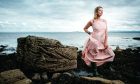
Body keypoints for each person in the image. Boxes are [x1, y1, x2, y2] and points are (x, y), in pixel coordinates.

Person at [82, 6, 115, 76]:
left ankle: (108, 67)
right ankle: (95, 71)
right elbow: (85, 28)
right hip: (94, 41)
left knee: (111, 54)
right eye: (100, 10)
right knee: (94, 56)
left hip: (102, 41)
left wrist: (106, 41)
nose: (102, 12)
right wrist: (89, 33)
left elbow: (106, 32)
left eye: (102, 11)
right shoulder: (92, 21)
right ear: (96, 12)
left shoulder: (104, 21)